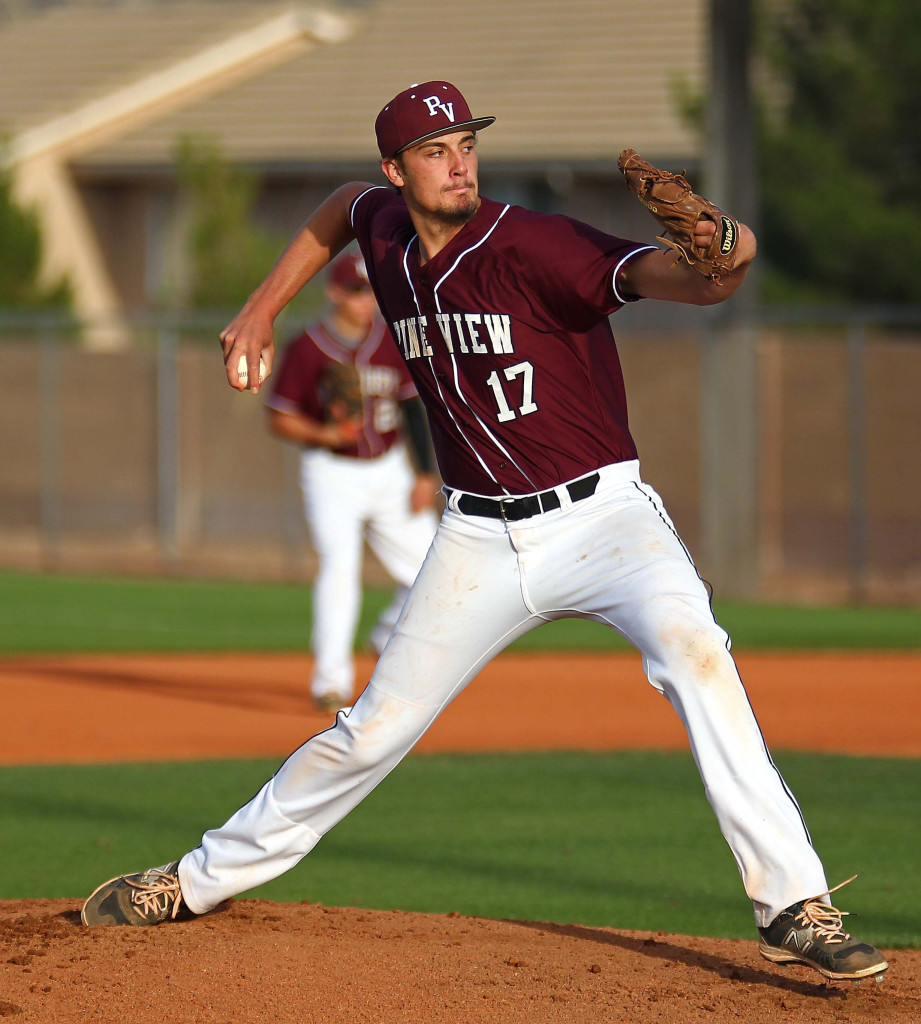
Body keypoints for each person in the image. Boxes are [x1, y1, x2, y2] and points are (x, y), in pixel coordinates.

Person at [81, 81, 887, 984]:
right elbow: (338, 211)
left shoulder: (534, 242)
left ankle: (793, 903)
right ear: (397, 168)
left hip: (604, 519)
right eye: (435, 149)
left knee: (697, 652)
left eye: (466, 142)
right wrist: (265, 304)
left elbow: (692, 283)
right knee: (368, 732)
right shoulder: (383, 226)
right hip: (475, 538)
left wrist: (728, 251)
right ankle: (194, 882)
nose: (457, 160)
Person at [266, 249, 438, 713]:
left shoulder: (390, 340)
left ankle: (385, 636)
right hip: (331, 472)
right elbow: (279, 417)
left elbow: (410, 409)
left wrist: (424, 473)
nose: (367, 301)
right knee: (339, 571)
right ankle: (331, 683)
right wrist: (322, 431)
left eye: (372, 292)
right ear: (335, 292)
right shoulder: (308, 348)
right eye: (358, 291)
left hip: (389, 469)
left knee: (433, 569)